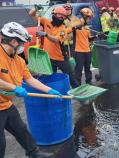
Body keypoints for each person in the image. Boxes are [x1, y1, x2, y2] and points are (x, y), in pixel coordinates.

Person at [0, 22, 63, 158]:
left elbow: (30, 79)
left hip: (6, 104)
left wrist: (49, 90)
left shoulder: (19, 61)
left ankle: (34, 153)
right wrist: (14, 87)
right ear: (13, 41)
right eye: (22, 43)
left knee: (21, 130)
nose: (23, 46)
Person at [29, 6, 79, 88]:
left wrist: (46, 34)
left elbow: (56, 40)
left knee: (71, 78)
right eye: (60, 15)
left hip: (61, 58)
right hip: (49, 58)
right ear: (54, 14)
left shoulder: (63, 29)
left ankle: (79, 93)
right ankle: (51, 94)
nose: (61, 18)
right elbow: (31, 14)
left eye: (63, 17)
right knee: (49, 78)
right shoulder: (46, 22)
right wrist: (35, 8)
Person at [69, 8, 95, 85]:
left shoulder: (87, 27)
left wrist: (96, 36)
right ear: (84, 16)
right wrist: (77, 27)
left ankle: (89, 82)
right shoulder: (76, 23)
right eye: (89, 18)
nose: (90, 20)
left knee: (88, 69)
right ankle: (78, 85)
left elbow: (89, 39)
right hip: (78, 51)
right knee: (78, 70)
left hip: (87, 51)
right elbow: (70, 30)